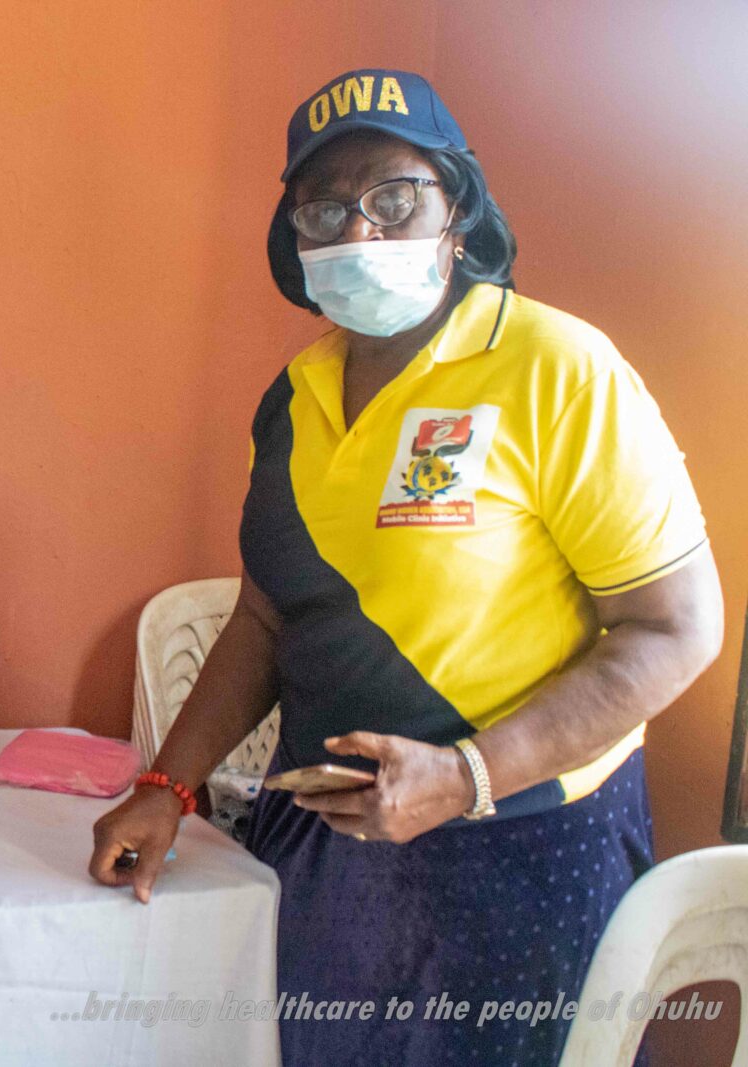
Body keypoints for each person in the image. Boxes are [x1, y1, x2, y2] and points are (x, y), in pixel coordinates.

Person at [88, 69, 724, 1065]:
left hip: (522, 853)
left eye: (394, 195)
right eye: (326, 205)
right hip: (324, 846)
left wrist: (468, 774)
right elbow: (265, 620)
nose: (363, 228)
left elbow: (676, 626)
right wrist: (167, 783)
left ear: (456, 209)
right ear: (295, 237)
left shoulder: (556, 366)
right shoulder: (291, 400)